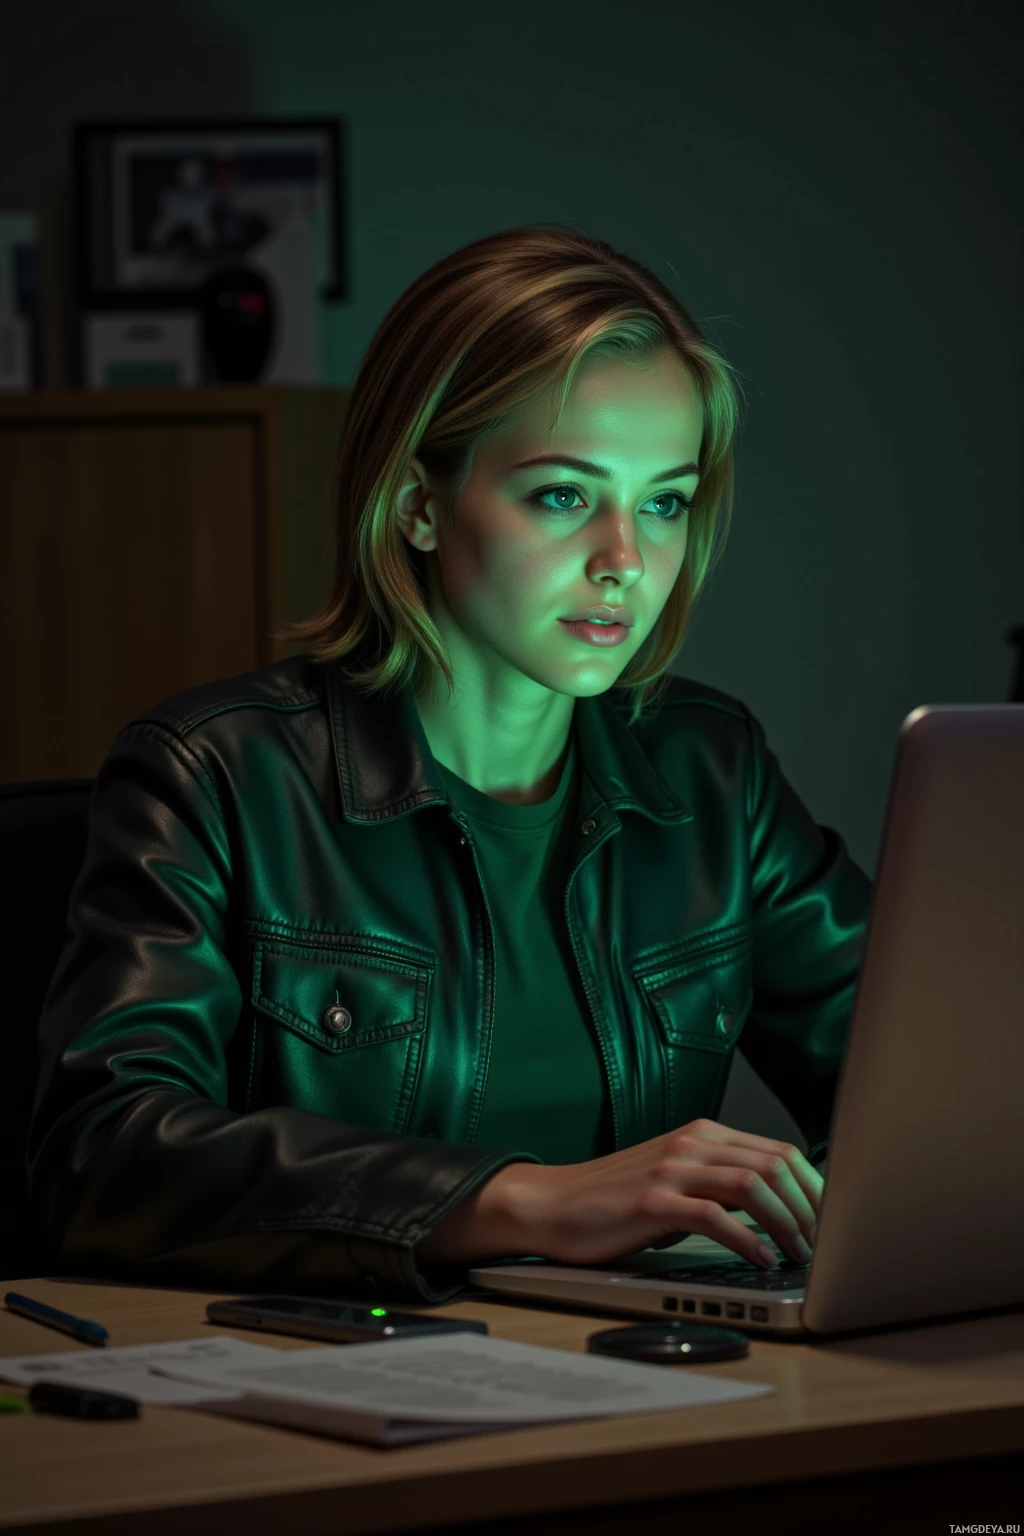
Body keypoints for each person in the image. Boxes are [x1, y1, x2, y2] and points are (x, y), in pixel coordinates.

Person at [26, 224, 872, 1304]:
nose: (626, 560)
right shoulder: (214, 775)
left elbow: (924, 1085)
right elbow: (106, 1154)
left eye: (664, 500)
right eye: (564, 494)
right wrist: (525, 1201)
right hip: (339, 1385)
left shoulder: (712, 770)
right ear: (418, 504)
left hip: (644, 1369)